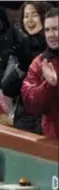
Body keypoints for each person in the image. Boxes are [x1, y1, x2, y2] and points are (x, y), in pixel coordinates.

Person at [1, 1, 52, 134]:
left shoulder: (53, 47)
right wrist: (23, 66)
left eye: (34, 15)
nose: (29, 20)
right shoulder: (19, 47)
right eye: (26, 16)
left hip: (50, 122)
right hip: (23, 119)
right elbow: (7, 89)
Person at [21, 7, 59, 140]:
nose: (51, 35)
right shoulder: (39, 63)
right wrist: (48, 86)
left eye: (56, 29)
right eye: (48, 30)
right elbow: (30, 103)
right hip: (53, 139)